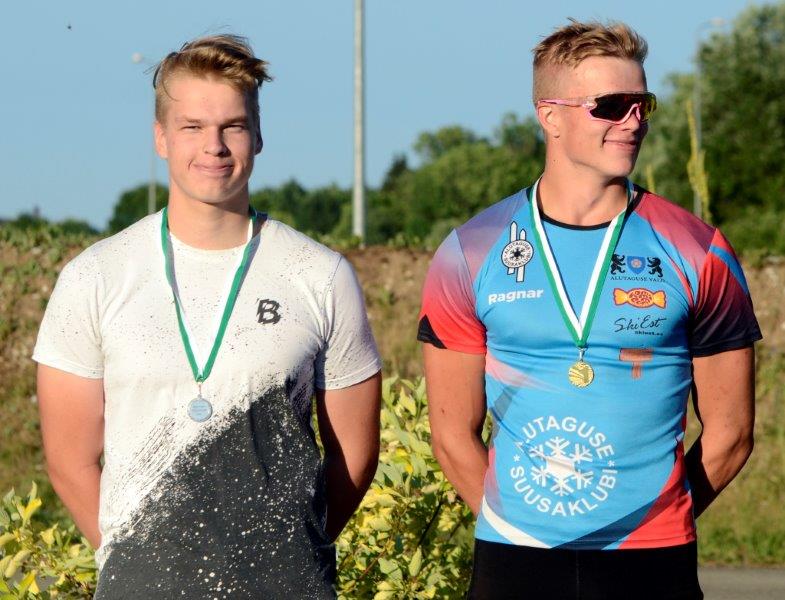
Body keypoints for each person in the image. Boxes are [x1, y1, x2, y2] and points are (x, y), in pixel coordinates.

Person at [418, 20, 761, 600]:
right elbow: (452, 433)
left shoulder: (701, 250)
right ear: (550, 116)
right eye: (611, 106)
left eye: (643, 104)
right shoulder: (469, 251)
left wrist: (656, 518)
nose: (634, 121)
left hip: (653, 562)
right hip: (514, 561)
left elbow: (732, 434)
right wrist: (518, 525)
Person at [34, 34, 382, 599]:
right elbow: (69, 460)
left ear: (258, 135)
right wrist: (135, 557)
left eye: (233, 126)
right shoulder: (95, 277)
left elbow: (356, 457)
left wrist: (291, 549)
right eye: (192, 126)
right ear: (161, 137)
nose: (214, 146)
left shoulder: (320, 275)